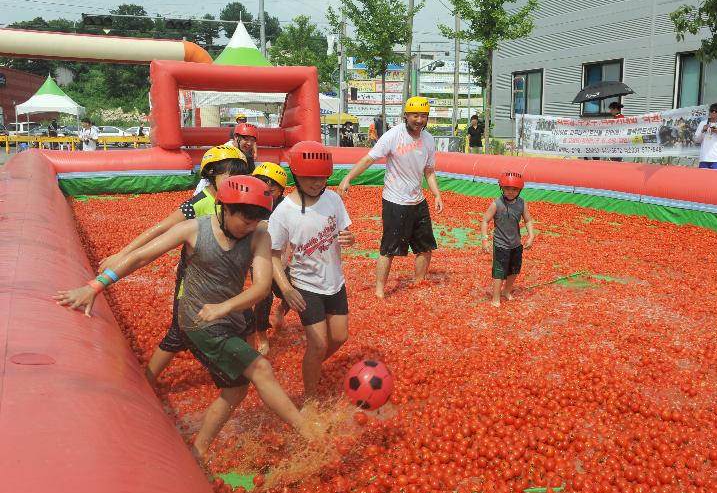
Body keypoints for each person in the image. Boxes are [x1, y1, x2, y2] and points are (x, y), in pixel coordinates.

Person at [55, 175, 318, 460]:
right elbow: (140, 257)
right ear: (223, 207)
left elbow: (261, 287)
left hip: (229, 318)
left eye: (256, 220)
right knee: (261, 369)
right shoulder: (193, 230)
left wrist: (225, 307)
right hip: (198, 321)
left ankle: (198, 449)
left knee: (235, 392)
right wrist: (95, 286)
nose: (249, 226)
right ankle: (311, 436)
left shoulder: (259, 236)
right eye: (244, 219)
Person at [99, 145, 251, 386]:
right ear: (211, 174)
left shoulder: (242, 203)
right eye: (229, 175)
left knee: (244, 321)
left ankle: (245, 371)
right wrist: (121, 254)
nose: (236, 181)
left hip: (225, 284)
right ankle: (146, 381)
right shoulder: (199, 203)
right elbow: (161, 228)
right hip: (192, 285)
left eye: (242, 175)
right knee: (180, 332)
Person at [268, 142, 355, 400]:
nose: (317, 183)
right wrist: (285, 288)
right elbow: (272, 255)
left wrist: (349, 239)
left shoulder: (333, 200)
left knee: (339, 337)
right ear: (295, 175)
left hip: (334, 281)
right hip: (306, 285)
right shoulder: (283, 212)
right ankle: (309, 397)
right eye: (309, 178)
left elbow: (344, 231)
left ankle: (312, 365)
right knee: (317, 344)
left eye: (322, 177)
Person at [338, 96, 444, 299]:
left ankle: (418, 283)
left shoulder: (428, 139)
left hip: (418, 200)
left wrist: (436, 194)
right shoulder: (393, 136)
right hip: (395, 201)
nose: (419, 120)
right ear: (406, 115)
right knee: (389, 249)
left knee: (425, 247)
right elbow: (369, 158)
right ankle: (379, 290)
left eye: (423, 116)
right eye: (415, 115)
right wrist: (348, 178)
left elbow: (429, 171)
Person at [250, 162, 290, 353]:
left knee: (294, 293)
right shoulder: (251, 204)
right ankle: (262, 336)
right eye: (261, 183)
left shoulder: (287, 206)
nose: (266, 189)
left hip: (281, 261)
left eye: (271, 186)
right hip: (259, 261)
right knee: (263, 299)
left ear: (281, 189)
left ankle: (282, 309)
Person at [481, 172, 534, 307]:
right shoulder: (496, 204)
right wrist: (484, 239)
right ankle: (496, 297)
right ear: (502, 188)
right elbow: (485, 221)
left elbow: (527, 220)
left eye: (515, 189)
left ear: (520, 190)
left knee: (514, 270)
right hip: (501, 244)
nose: (511, 192)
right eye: (507, 188)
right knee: (499, 272)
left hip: (515, 243)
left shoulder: (522, 204)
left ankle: (506, 291)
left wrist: (531, 236)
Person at [194, 123, 258, 194]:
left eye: (252, 140)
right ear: (236, 137)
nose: (249, 143)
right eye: (246, 139)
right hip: (210, 191)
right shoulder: (225, 153)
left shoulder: (244, 152)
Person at [693, 103, 717, 170]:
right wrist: (703, 130)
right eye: (711, 111)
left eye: (716, 111)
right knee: (703, 179)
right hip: (704, 157)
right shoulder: (703, 123)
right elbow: (696, 140)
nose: (713, 112)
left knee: (715, 180)